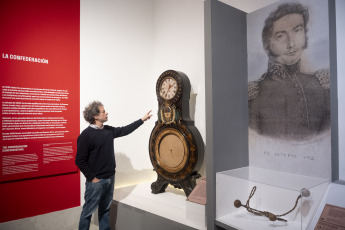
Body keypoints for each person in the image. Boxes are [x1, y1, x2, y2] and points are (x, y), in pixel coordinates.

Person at [248, 2, 330, 140]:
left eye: (297, 30)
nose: (292, 44)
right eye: (280, 36)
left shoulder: (322, 85)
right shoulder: (255, 94)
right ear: (267, 44)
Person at [75, 101, 152, 230]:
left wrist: (142, 120)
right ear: (95, 116)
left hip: (110, 178)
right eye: (103, 111)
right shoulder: (85, 135)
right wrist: (93, 178)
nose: (106, 113)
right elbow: (79, 160)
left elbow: (125, 130)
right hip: (96, 182)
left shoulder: (108, 130)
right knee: (87, 212)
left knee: (105, 211)